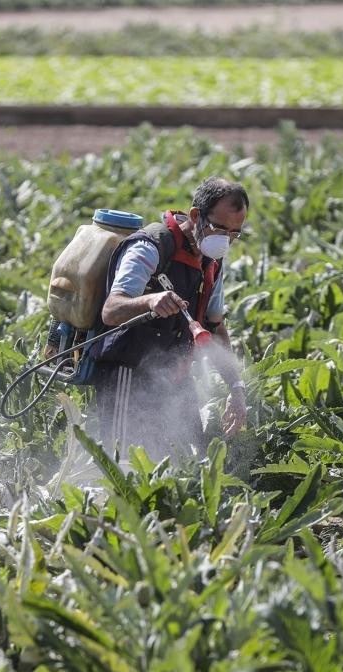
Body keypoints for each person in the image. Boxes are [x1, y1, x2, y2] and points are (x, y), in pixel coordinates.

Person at [91, 177, 249, 463]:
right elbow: (111, 310)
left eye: (235, 233)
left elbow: (215, 328)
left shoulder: (212, 262)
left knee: (192, 463)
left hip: (175, 376)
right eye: (220, 228)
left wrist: (236, 388)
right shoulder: (150, 247)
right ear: (195, 216)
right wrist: (149, 300)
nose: (226, 240)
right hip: (128, 373)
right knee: (125, 465)